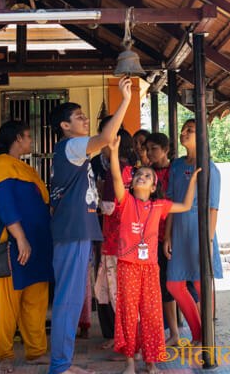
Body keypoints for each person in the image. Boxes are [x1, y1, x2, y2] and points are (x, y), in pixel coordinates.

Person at [48, 76, 132, 374]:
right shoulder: (71, 146)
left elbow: (106, 141)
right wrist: (125, 101)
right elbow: (107, 136)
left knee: (71, 300)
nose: (84, 119)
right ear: (64, 126)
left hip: (77, 230)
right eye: (78, 116)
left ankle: (64, 363)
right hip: (72, 231)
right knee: (67, 301)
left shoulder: (74, 150)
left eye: (85, 115)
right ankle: (59, 366)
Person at [109, 136, 200, 374]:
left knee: (151, 315)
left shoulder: (159, 206)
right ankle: (130, 362)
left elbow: (187, 205)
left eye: (148, 176)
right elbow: (117, 177)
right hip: (127, 265)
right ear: (133, 183)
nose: (142, 177)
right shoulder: (125, 201)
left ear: (153, 187)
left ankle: (151, 363)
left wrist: (193, 181)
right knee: (129, 314)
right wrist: (113, 151)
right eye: (139, 175)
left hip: (149, 268)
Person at [0, 121, 52, 374]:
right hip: (13, 244)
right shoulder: (0, 165)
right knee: (8, 303)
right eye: (28, 137)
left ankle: (36, 351)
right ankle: (4, 354)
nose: (31, 141)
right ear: (17, 138)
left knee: (36, 300)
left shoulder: (26, 169)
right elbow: (4, 205)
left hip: (38, 243)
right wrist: (20, 237)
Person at [164, 119, 222, 346]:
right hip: (178, 231)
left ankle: (207, 336)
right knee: (174, 284)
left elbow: (213, 207)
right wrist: (167, 235)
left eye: (190, 130)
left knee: (200, 283)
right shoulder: (176, 166)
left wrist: (208, 239)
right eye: (183, 129)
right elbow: (169, 202)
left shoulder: (210, 167)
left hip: (200, 232)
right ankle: (198, 333)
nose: (184, 132)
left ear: (202, 135)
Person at [94, 128, 135, 348]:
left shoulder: (113, 172)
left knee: (117, 294)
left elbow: (108, 208)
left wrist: (97, 197)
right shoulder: (134, 170)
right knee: (127, 294)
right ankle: (128, 338)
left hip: (113, 241)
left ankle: (127, 340)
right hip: (132, 241)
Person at [145, 132, 179, 345]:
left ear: (166, 150)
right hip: (150, 235)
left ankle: (176, 332)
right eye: (147, 149)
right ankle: (167, 331)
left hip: (170, 234)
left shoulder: (174, 171)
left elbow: (175, 204)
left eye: (154, 149)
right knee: (157, 285)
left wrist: (168, 236)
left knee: (172, 284)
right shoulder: (146, 173)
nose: (149, 153)